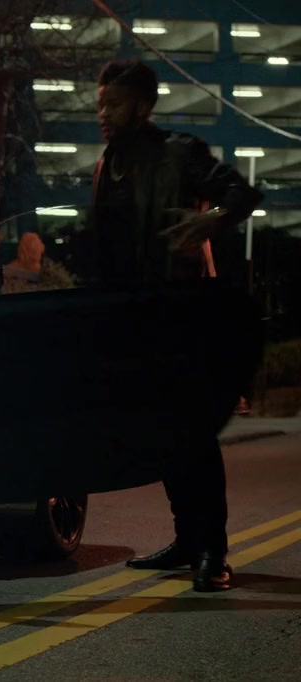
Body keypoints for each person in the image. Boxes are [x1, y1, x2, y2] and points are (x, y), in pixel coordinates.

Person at [87, 59, 263, 591]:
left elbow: (242, 193)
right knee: (161, 434)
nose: (103, 113)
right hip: (131, 320)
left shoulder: (179, 153)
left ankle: (212, 551)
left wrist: (211, 218)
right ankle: (187, 539)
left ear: (143, 106)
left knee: (193, 433)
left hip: (182, 315)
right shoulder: (106, 166)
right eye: (100, 103)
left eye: (114, 103)